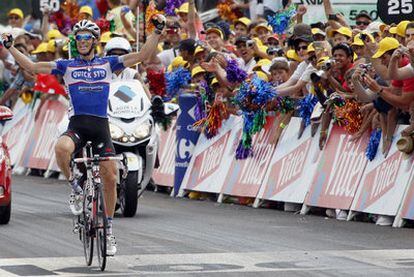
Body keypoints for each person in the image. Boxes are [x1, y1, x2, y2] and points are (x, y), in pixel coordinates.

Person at [1, 15, 166, 256]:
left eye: (87, 37)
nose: (82, 41)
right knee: (61, 148)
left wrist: (157, 32)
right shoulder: (67, 66)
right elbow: (34, 67)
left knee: (111, 177)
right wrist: (11, 48)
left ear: (95, 40)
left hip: (101, 128)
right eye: (78, 38)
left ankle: (108, 231)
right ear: (75, 41)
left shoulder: (109, 64)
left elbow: (141, 57)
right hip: (77, 125)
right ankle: (76, 190)